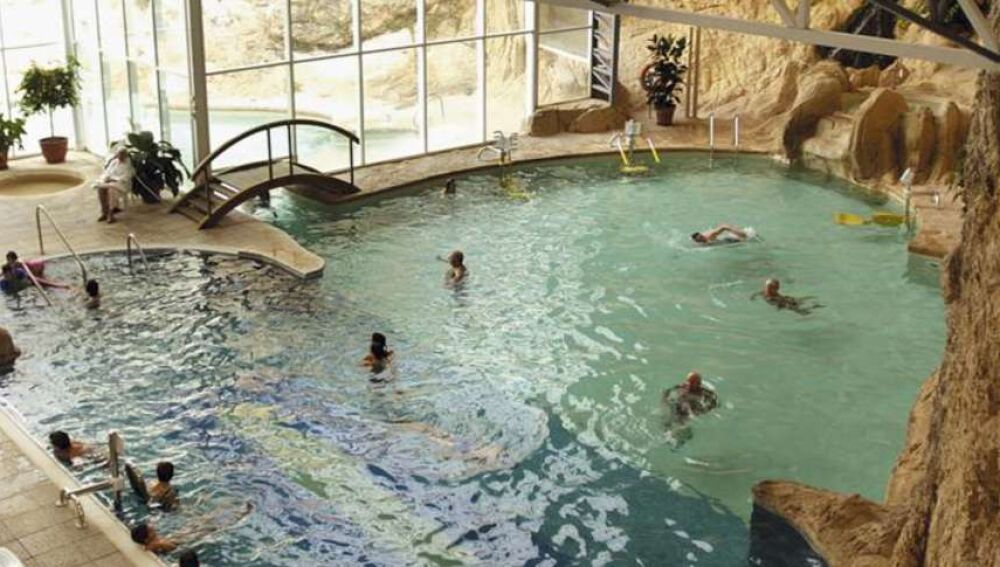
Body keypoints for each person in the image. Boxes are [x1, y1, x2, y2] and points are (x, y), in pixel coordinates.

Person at [93, 147, 134, 224]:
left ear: (125, 155)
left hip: (122, 184)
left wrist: (114, 180)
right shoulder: (114, 162)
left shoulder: (128, 164)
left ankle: (110, 214)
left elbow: (126, 176)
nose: (120, 156)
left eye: (122, 154)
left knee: (111, 190)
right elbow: (107, 172)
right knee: (100, 189)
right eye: (119, 154)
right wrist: (106, 179)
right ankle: (104, 212)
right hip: (110, 182)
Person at [2, 251, 68, 291]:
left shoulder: (19, 264)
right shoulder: (9, 267)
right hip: (32, 270)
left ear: (14, 259)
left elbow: (29, 274)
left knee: (41, 281)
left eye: (10, 260)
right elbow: (4, 272)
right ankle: (56, 284)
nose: (9, 261)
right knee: (41, 280)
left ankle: (58, 284)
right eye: (8, 260)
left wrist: (31, 277)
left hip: (36, 268)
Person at [751, 278, 821, 315]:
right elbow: (772, 299)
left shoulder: (765, 292)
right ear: (770, 287)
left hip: (779, 300)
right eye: (776, 287)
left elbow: (757, 294)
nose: (778, 288)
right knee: (790, 306)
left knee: (794, 301)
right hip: (776, 301)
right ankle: (804, 311)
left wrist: (753, 297)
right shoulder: (768, 294)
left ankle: (807, 306)